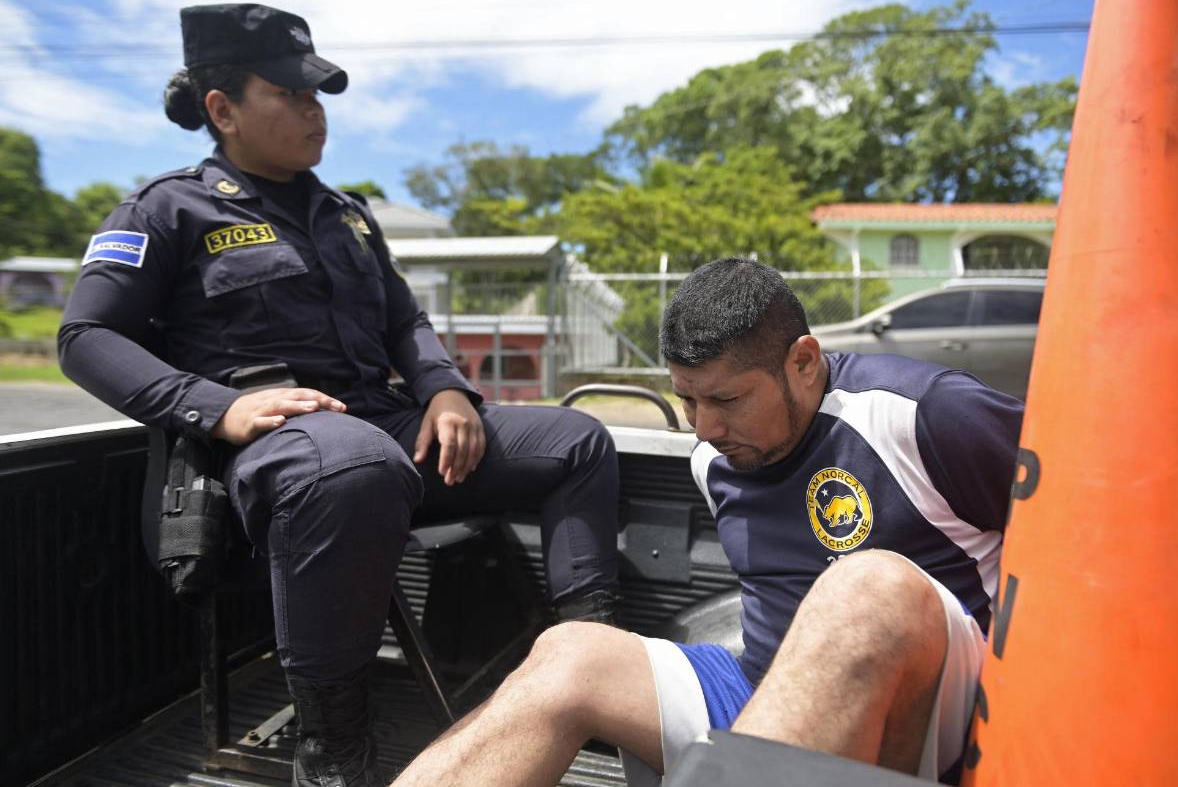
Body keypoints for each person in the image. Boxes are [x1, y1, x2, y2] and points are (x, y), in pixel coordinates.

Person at [57, 3, 620, 787]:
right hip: (277, 442)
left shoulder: (348, 214)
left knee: (577, 440)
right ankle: (332, 749)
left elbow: (404, 321)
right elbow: (85, 338)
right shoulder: (168, 209)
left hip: (386, 425)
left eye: (315, 94)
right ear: (222, 110)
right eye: (288, 93)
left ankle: (588, 670)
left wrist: (446, 391)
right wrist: (216, 407)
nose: (312, 109)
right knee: (353, 465)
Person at [392, 257, 1023, 786]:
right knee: (570, 652)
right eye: (686, 399)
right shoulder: (711, 461)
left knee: (867, 588)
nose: (705, 428)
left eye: (726, 399)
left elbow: (1091, 539)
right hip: (762, 690)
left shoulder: (924, 414)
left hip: (948, 712)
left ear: (803, 362)